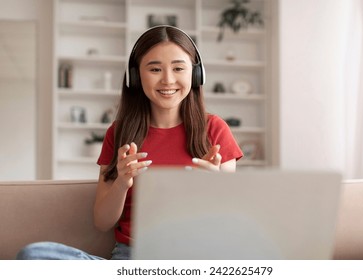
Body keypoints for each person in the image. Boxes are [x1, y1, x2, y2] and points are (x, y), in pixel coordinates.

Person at [16, 25, 243, 260]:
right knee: (34, 255)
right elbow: (103, 222)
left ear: (195, 75)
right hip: (131, 258)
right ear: (135, 77)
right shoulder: (119, 133)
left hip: (191, 257)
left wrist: (214, 188)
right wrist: (122, 182)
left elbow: (231, 225)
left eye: (178, 68)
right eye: (155, 69)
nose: (167, 79)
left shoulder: (215, 130)